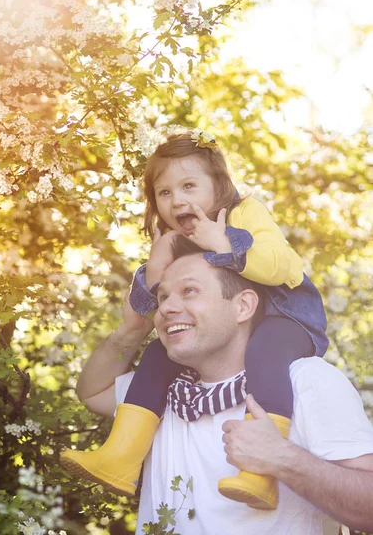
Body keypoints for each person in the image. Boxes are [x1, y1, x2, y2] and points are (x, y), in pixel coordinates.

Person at [61, 130, 330, 509]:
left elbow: (286, 265)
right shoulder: (173, 238)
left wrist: (224, 243)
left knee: (264, 353)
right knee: (158, 353)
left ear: (218, 185)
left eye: (189, 185)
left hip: (285, 318)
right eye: (164, 193)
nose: (177, 200)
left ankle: (260, 474)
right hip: (233, 327)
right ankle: (121, 457)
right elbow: (157, 306)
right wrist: (157, 260)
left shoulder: (243, 213)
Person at [64, 238, 373, 535]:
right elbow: (92, 391)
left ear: (243, 307)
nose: (167, 308)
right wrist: (130, 331)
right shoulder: (161, 392)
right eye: (162, 298)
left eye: (189, 291)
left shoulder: (307, 380)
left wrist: (283, 458)